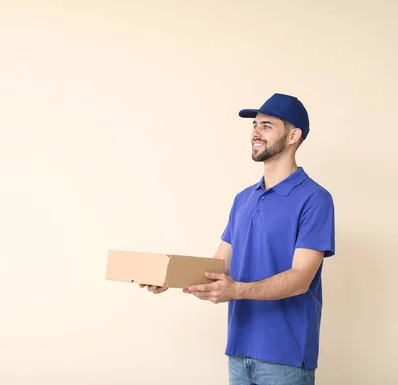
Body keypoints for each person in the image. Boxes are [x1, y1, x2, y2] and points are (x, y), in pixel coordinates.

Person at [141, 93, 336, 385]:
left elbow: (300, 278)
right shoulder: (243, 199)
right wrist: (169, 277)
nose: (255, 132)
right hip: (238, 351)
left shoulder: (315, 199)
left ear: (294, 135)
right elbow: (218, 266)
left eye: (267, 126)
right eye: (255, 125)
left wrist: (237, 291)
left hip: (286, 358)